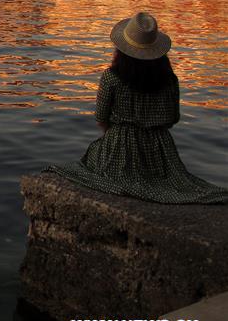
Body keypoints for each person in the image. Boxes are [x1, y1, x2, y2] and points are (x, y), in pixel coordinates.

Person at [48, 12, 228, 204]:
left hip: (120, 145)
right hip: (160, 149)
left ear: (121, 49)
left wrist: (115, 134)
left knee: (90, 161)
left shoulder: (112, 77)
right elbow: (172, 119)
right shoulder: (170, 80)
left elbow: (101, 117)